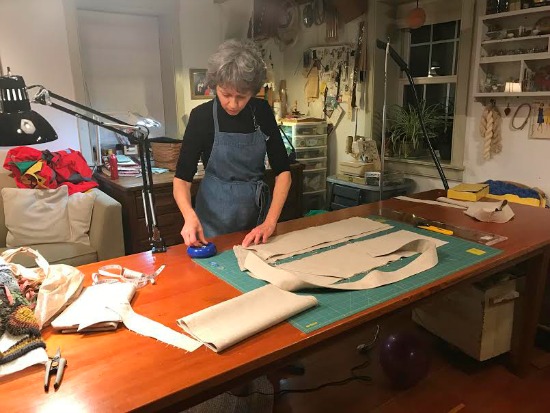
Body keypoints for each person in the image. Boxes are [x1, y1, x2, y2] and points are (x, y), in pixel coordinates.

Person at [174, 39, 291, 248]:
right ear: (215, 86)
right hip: (211, 223)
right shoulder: (202, 117)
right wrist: (189, 216)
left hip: (255, 222)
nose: (233, 104)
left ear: (252, 91)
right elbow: (182, 180)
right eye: (226, 94)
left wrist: (269, 223)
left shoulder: (262, 112)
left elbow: (283, 173)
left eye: (242, 96)